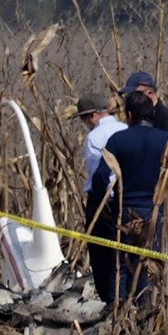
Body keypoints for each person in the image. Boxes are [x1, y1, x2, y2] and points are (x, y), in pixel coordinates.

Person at [87, 91, 168, 304]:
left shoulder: (118, 140)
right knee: (150, 264)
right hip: (154, 212)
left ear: (129, 114)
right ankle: (146, 316)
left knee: (120, 266)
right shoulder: (166, 139)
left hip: (125, 211)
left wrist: (109, 202)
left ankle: (117, 315)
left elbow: (100, 176)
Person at [71, 93, 127, 306]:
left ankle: (108, 299)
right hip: (126, 197)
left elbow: (99, 175)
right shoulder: (125, 129)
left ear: (92, 116)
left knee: (101, 253)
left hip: (103, 200)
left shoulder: (95, 137)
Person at [118, 71, 168, 139]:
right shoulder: (137, 117)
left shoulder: (165, 118)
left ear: (150, 93)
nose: (132, 99)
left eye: (135, 94)